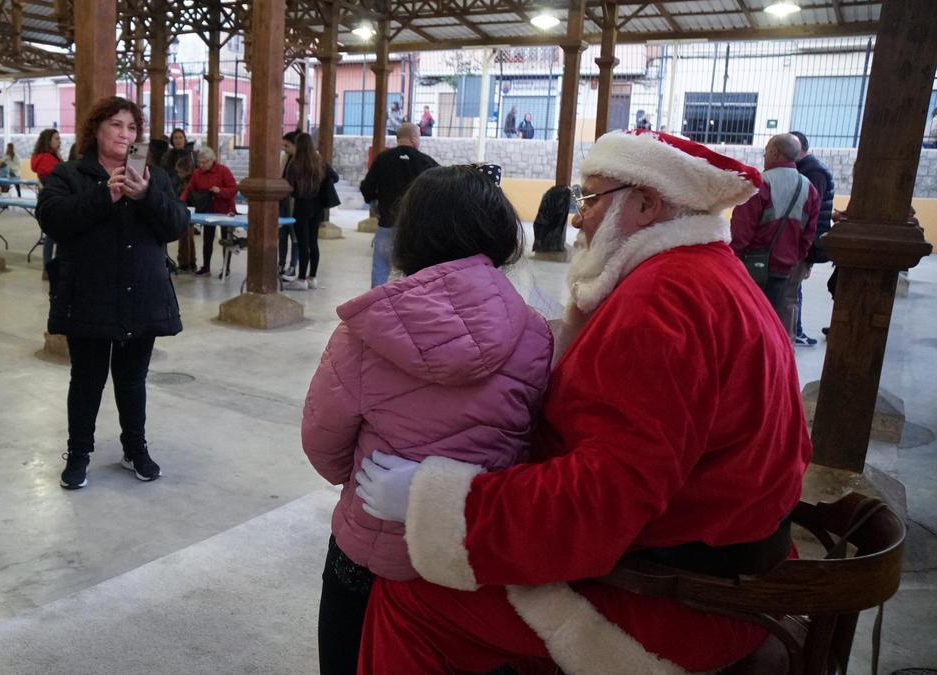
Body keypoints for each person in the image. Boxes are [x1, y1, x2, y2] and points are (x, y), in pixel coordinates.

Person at [352, 130, 811, 674]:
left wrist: (443, 501)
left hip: (680, 600)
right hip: (723, 561)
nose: (576, 218)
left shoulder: (660, 303)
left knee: (407, 599)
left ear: (646, 204)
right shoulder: (703, 272)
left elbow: (604, 499)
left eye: (590, 199)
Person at [303, 164, 553, 675]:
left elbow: (322, 444)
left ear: (411, 233)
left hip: (374, 554)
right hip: (471, 553)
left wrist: (362, 478)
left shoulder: (363, 332)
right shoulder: (535, 332)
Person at [36, 95, 188, 490]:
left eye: (132, 127)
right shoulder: (70, 174)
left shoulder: (155, 177)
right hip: (88, 294)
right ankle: (79, 453)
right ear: (96, 131)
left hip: (143, 294)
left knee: (133, 379)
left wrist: (145, 195)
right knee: (86, 379)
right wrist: (107, 194)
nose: (125, 134)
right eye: (116, 125)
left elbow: (176, 225)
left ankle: (135, 448)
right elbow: (54, 220)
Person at [730, 133, 819, 336]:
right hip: (785, 267)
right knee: (775, 319)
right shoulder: (808, 188)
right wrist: (795, 257)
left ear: (774, 153)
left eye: (766, 150)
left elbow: (742, 229)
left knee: (748, 320)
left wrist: (734, 260)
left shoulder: (760, 184)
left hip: (753, 266)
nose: (764, 154)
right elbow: (809, 232)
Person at [359, 123, 438, 288]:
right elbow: (438, 191)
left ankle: (376, 307)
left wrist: (375, 204)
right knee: (413, 272)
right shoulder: (426, 162)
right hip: (413, 228)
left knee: (380, 267)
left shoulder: (382, 159)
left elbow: (366, 187)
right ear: (414, 138)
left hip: (386, 223)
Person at [789, 130, 834, 346]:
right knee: (792, 287)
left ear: (802, 149)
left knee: (792, 290)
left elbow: (810, 214)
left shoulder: (813, 172)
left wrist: (807, 252)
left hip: (805, 241)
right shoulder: (805, 169)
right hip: (803, 240)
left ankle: (795, 331)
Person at [283, 133, 336, 291]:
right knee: (313, 242)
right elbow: (335, 177)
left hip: (301, 205)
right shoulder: (319, 161)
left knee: (303, 243)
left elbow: (289, 186)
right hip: (318, 206)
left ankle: (301, 279)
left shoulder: (295, 163)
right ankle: (312, 277)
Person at [181, 146, 237, 277]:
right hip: (207, 210)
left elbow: (233, 189)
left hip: (225, 210)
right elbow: (189, 189)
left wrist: (220, 191)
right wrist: (181, 201)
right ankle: (206, 267)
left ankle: (226, 268)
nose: (201, 165)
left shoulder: (223, 171)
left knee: (226, 239)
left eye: (204, 162)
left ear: (213, 160)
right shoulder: (197, 173)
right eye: (199, 162)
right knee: (207, 239)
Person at [161, 129, 198, 272]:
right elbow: (164, 174)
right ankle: (169, 260)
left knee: (187, 230)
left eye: (180, 137)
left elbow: (195, 176)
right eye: (175, 137)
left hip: (187, 195)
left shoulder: (192, 155)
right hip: (171, 194)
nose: (178, 140)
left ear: (185, 139)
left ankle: (188, 261)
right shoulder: (167, 156)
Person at [31, 129, 63, 272]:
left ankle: (48, 267)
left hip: (50, 198)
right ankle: (50, 267)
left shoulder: (48, 156)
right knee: (54, 235)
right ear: (48, 140)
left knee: (51, 235)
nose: (59, 141)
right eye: (56, 138)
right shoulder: (47, 158)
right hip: (54, 199)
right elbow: (56, 178)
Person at [278, 131, 300, 280]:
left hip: (294, 202)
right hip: (283, 200)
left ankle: (293, 266)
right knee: (282, 234)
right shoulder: (285, 158)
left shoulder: (301, 161)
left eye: (287, 146)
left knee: (295, 236)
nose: (284, 149)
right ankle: (281, 264)